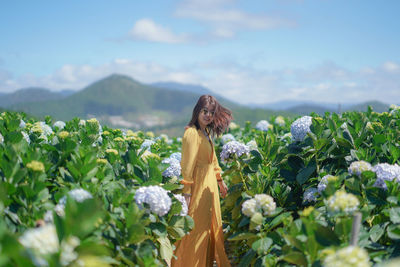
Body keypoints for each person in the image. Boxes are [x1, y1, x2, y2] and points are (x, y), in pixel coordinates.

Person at [171, 95, 232, 267]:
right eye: (204, 111)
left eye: (211, 113)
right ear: (197, 111)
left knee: (209, 228)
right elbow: (187, 165)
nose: (207, 115)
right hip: (198, 186)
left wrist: (220, 181)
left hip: (210, 186)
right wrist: (187, 192)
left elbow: (213, 161)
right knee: (195, 229)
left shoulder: (206, 133)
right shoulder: (191, 133)